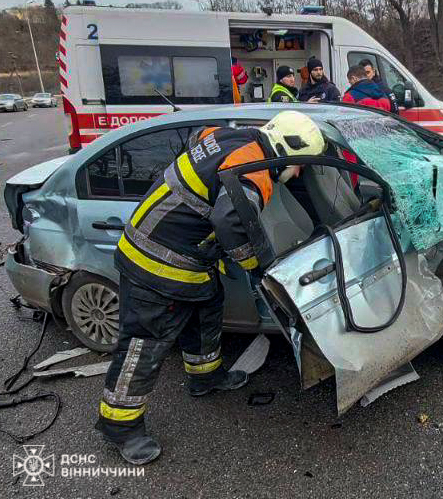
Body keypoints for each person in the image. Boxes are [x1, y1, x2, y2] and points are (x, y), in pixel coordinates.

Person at [96, 111, 326, 465]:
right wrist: (259, 267)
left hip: (187, 257)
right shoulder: (254, 169)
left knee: (207, 311)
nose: (296, 174)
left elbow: (198, 138)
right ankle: (121, 427)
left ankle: (206, 378)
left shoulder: (236, 136)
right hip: (155, 262)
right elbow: (231, 220)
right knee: (145, 342)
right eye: (298, 167)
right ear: (285, 150)